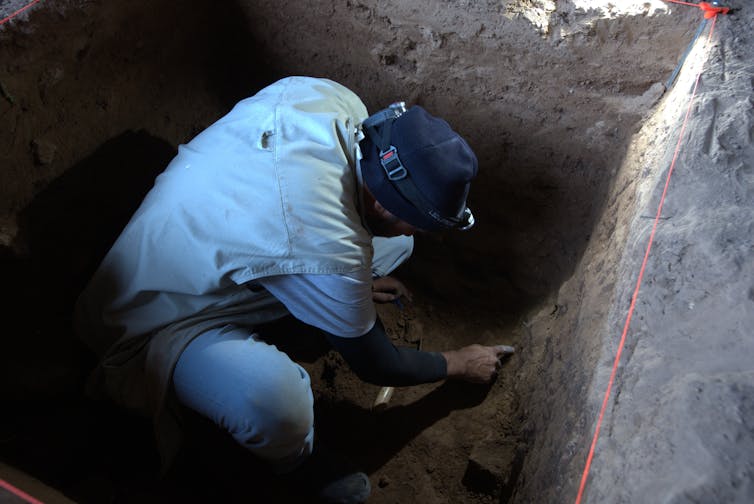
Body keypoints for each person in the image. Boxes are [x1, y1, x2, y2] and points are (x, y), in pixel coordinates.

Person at [75, 76, 513, 503]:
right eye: (423, 220)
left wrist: (347, 285)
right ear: (382, 202)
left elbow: (310, 236)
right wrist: (457, 363)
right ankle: (294, 463)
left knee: (395, 243)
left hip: (207, 237)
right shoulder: (327, 244)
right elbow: (379, 366)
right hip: (154, 315)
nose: (429, 234)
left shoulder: (332, 100)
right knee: (276, 406)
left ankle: (320, 303)